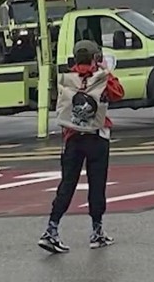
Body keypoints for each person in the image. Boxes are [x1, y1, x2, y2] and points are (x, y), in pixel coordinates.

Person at [38, 39, 124, 254]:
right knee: (97, 185)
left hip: (72, 138)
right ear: (96, 58)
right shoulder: (102, 78)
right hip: (97, 137)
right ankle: (97, 232)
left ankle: (52, 229)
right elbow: (118, 93)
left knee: (67, 185)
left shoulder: (66, 79)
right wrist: (106, 71)